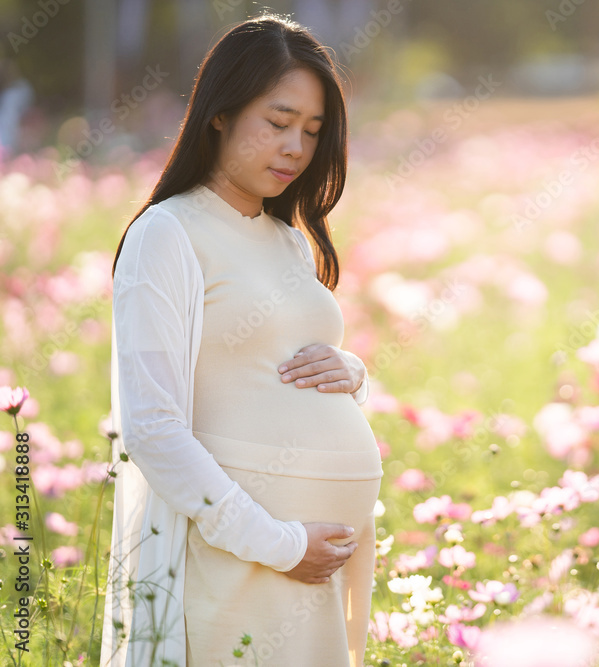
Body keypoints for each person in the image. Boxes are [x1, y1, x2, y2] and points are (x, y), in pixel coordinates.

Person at [100, 13, 383, 667]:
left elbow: (269, 362)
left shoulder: (288, 240)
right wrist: (281, 541)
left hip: (318, 561)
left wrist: (350, 369)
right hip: (239, 561)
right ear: (220, 114)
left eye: (312, 132)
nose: (296, 148)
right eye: (278, 122)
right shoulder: (168, 234)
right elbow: (152, 427)